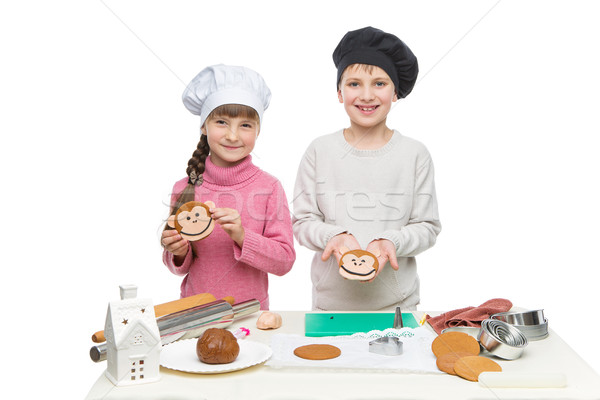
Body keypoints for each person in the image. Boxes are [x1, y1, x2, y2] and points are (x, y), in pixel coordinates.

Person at [292, 27, 441, 311]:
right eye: (354, 84)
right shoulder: (319, 151)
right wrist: (332, 237)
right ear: (339, 92)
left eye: (380, 84)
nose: (367, 95)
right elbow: (302, 222)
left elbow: (428, 227)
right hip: (330, 306)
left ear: (395, 92)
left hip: (398, 306)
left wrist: (391, 241)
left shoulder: (415, 154)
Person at [161, 64, 295, 310]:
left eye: (246, 125)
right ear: (204, 126)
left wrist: (242, 236)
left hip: (251, 316)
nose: (233, 136)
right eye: (222, 122)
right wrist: (177, 250)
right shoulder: (184, 187)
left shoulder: (270, 187)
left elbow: (284, 261)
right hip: (194, 313)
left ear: (258, 130)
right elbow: (177, 265)